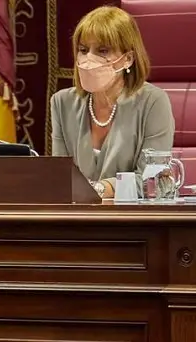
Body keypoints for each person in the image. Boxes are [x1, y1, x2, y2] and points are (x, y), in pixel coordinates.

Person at [50, 6, 174, 198]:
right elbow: (60, 178)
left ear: (128, 59)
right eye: (83, 50)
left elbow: (151, 181)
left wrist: (98, 189)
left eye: (103, 50)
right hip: (77, 221)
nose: (88, 59)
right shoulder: (62, 102)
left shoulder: (153, 102)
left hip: (133, 222)